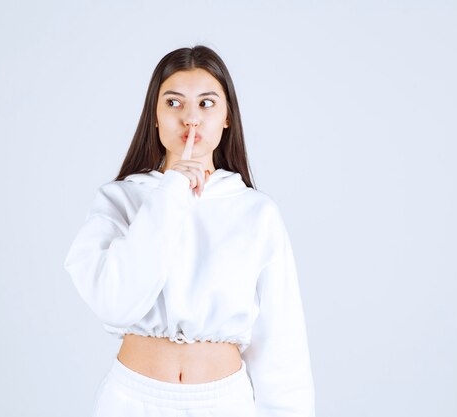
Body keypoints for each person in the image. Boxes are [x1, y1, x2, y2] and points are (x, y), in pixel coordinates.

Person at [63, 45, 315, 417]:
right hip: (132, 401)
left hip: (223, 404)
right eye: (174, 103)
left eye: (207, 104)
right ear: (155, 115)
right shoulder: (120, 200)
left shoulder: (256, 213)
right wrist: (170, 192)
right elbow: (116, 303)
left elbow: (281, 347)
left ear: (228, 117)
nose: (191, 119)